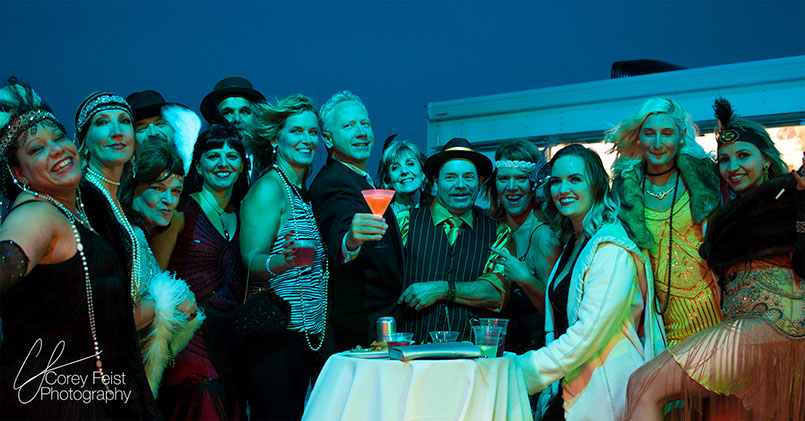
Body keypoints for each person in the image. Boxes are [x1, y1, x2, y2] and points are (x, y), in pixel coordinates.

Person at [624, 98, 804, 420]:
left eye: (744, 156)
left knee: (643, 384)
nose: (733, 167)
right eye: (724, 160)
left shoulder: (787, 198)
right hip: (743, 334)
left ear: (766, 159)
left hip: (771, 330)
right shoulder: (727, 211)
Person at [0, 79, 158, 419]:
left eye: (58, 138)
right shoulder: (36, 214)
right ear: (19, 174)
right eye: (36, 150)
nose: (56, 149)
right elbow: (7, 263)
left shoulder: (79, 209)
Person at [516, 144, 665, 421]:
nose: (563, 189)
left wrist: (521, 371)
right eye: (556, 181)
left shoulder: (611, 248)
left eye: (575, 179)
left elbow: (587, 334)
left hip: (604, 390)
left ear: (596, 185)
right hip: (572, 387)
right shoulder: (575, 241)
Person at [75, 91, 201, 396]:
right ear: (83, 141)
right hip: (91, 374)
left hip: (123, 368)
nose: (117, 131)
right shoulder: (85, 201)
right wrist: (168, 300)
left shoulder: (115, 206)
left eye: (124, 122)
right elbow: (100, 313)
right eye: (102, 122)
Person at [240, 94, 328, 420]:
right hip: (274, 340)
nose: (307, 139)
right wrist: (283, 262)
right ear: (275, 139)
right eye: (296, 131)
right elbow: (250, 261)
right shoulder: (269, 188)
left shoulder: (302, 192)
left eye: (313, 132)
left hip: (304, 336)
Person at [152, 124, 248, 420]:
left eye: (232, 156)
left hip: (233, 337)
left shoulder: (243, 214)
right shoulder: (181, 210)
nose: (223, 163)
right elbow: (154, 274)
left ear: (242, 166)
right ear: (198, 164)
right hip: (191, 334)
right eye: (213, 155)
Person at [608, 97, 722, 345]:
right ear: (638, 137)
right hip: (662, 326)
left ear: (681, 135)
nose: (658, 144)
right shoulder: (625, 191)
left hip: (717, 316)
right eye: (649, 133)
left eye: (667, 133)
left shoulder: (705, 179)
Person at [309, 90, 404, 350]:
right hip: (357, 333)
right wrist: (349, 242)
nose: (361, 132)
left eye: (365, 124)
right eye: (349, 126)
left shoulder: (359, 179)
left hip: (377, 324)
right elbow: (341, 230)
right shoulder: (333, 183)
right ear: (327, 138)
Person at [396, 137, 511, 343]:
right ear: (435, 182)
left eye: (468, 177)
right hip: (412, 353)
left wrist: (442, 289)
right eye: (450, 177)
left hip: (472, 354)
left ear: (480, 182)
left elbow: (495, 294)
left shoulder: (498, 232)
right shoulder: (405, 222)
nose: (460, 185)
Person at [484, 139, 562, 353]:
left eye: (521, 178)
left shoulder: (544, 236)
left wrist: (525, 279)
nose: (511, 187)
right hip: (498, 356)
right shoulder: (493, 230)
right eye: (503, 179)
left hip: (534, 357)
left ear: (534, 184)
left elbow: (558, 314)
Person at [376, 138, 430, 214]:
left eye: (410, 164)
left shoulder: (435, 211)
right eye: (395, 167)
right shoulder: (381, 215)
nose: (404, 171)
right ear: (388, 180)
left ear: (423, 173)